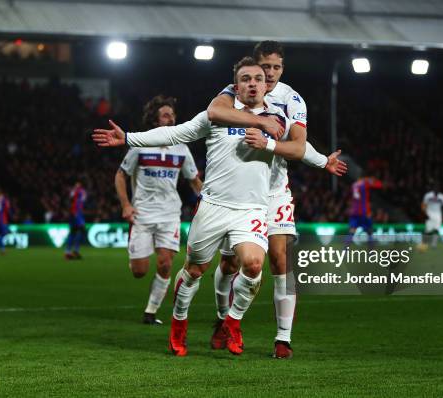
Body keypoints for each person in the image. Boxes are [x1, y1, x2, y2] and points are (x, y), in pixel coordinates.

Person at [94, 56, 318, 356]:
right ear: (235, 87)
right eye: (246, 79)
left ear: (266, 85)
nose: (253, 83)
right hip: (213, 206)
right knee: (194, 271)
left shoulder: (279, 120)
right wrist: (130, 138)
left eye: (258, 79)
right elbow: (174, 132)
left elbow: (299, 149)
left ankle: (232, 322)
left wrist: (273, 145)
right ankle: (179, 322)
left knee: (253, 265)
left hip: (251, 210)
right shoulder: (217, 116)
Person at [206, 40, 348, 359]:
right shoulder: (234, 92)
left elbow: (297, 147)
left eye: (276, 67)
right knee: (229, 263)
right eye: (264, 67)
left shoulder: (291, 99)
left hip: (274, 190)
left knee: (280, 261)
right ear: (253, 66)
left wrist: (296, 153)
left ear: (283, 68)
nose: (269, 74)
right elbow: (213, 115)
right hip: (238, 192)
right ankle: (221, 320)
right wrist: (321, 159)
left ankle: (283, 338)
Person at [115, 95, 203, 325]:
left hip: (169, 214)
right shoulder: (140, 144)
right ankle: (135, 255)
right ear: (155, 119)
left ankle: (150, 312)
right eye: (165, 114)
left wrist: (208, 202)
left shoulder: (182, 148)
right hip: (142, 213)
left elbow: (194, 180)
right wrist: (126, 204)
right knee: (139, 271)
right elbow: (120, 175)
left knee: (165, 263)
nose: (170, 117)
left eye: (172, 114)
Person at [348, 176, 383, 243]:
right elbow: (379, 185)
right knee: (369, 231)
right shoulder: (365, 183)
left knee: (352, 231)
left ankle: (345, 251)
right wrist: (370, 179)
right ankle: (371, 252)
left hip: (355, 212)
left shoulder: (354, 185)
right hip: (364, 212)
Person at [419, 183, 443, 250]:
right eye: (435, 188)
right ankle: (423, 244)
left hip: (438, 214)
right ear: (433, 189)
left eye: (438, 188)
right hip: (429, 213)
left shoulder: (442, 197)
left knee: (437, 229)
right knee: (428, 230)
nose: (437, 189)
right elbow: (423, 204)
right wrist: (424, 213)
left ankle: (434, 244)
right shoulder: (428, 195)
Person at [65, 181, 87, 260]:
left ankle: (71, 251)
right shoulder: (78, 192)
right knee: (79, 231)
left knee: (75, 233)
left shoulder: (76, 192)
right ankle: (72, 251)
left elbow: (82, 200)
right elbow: (82, 199)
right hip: (75, 215)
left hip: (75, 214)